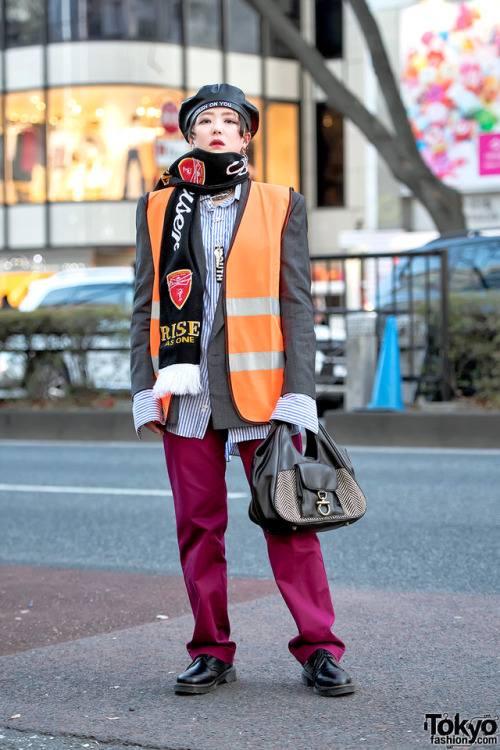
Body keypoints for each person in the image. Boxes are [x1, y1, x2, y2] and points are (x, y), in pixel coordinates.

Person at [130, 83, 354, 697]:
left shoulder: (281, 203)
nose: (219, 129)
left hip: (263, 390)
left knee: (289, 521)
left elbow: (297, 304)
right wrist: (142, 386)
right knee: (198, 527)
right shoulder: (158, 208)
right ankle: (210, 649)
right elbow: (144, 303)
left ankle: (319, 649)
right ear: (191, 135)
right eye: (207, 121)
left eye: (232, 120)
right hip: (187, 392)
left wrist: (302, 392)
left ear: (247, 135)